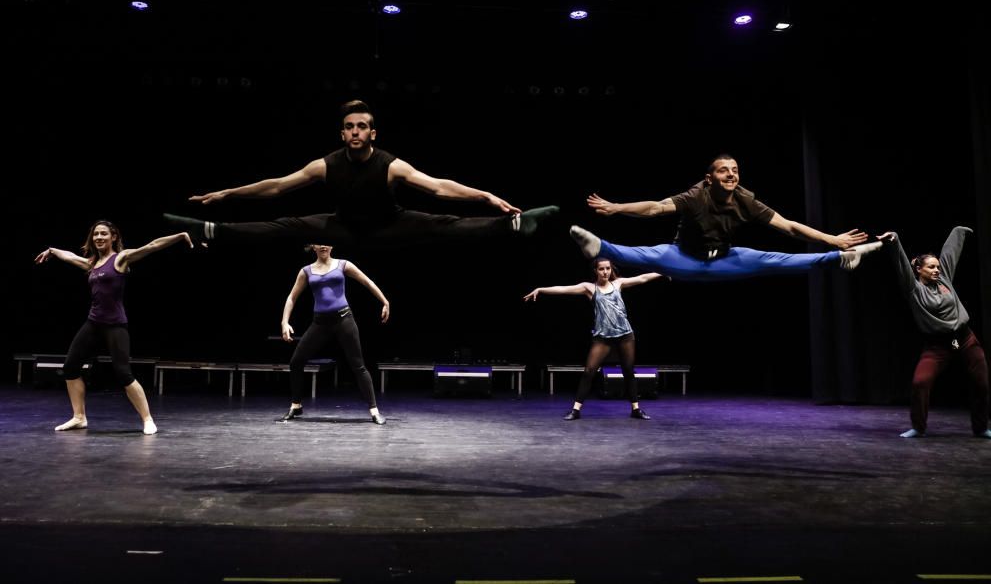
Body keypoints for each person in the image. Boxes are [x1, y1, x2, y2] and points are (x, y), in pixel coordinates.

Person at [165, 99, 559, 250]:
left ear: (373, 133)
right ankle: (211, 229)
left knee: (448, 224)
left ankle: (514, 226)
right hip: (342, 227)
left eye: (362, 126)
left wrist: (485, 196)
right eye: (349, 126)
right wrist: (228, 194)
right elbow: (278, 186)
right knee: (283, 225)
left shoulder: (391, 165)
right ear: (342, 133)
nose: (355, 131)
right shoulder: (326, 164)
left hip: (392, 224)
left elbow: (438, 187)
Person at [570, 154, 884, 280]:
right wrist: (616, 207)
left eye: (735, 170)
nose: (731, 175)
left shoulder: (744, 198)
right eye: (724, 171)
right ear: (710, 178)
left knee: (779, 259)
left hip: (725, 260)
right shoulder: (697, 195)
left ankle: (841, 257)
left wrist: (833, 239)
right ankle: (599, 247)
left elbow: (788, 226)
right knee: (644, 254)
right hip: (684, 259)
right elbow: (655, 207)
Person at [34, 221, 193, 434]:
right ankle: (79, 417)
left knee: (123, 373)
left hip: (115, 325)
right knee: (70, 368)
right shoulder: (92, 263)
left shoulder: (121, 258)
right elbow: (71, 257)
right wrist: (53, 250)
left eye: (103, 234)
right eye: (96, 234)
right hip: (93, 323)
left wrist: (180, 235)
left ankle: (147, 419)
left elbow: (152, 246)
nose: (99, 237)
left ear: (113, 237)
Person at [877, 228, 991, 440]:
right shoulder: (913, 290)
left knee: (981, 383)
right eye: (931, 267)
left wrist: (958, 232)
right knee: (920, 383)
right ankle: (918, 427)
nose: (936, 270)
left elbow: (950, 252)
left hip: (965, 338)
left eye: (937, 267)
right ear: (918, 270)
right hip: (938, 346)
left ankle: (981, 428)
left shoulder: (944, 280)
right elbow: (902, 265)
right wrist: (895, 240)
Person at [524, 258, 663, 420]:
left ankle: (635, 409)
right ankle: (576, 410)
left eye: (608, 269)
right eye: (601, 269)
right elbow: (563, 289)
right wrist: (540, 289)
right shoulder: (589, 288)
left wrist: (663, 272)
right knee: (589, 371)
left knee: (628, 371)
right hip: (603, 337)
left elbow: (642, 278)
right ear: (595, 271)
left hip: (625, 335)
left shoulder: (618, 284)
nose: (605, 272)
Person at [277, 244, 390, 425]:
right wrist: (284, 322)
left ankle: (374, 411)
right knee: (296, 362)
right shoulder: (306, 271)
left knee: (358, 366)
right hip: (320, 322)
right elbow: (292, 297)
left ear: (331, 246)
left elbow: (367, 282)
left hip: (344, 319)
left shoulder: (343, 265)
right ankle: (296, 405)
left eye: (326, 243)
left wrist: (384, 301)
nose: (323, 246)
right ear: (313, 247)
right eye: (319, 243)